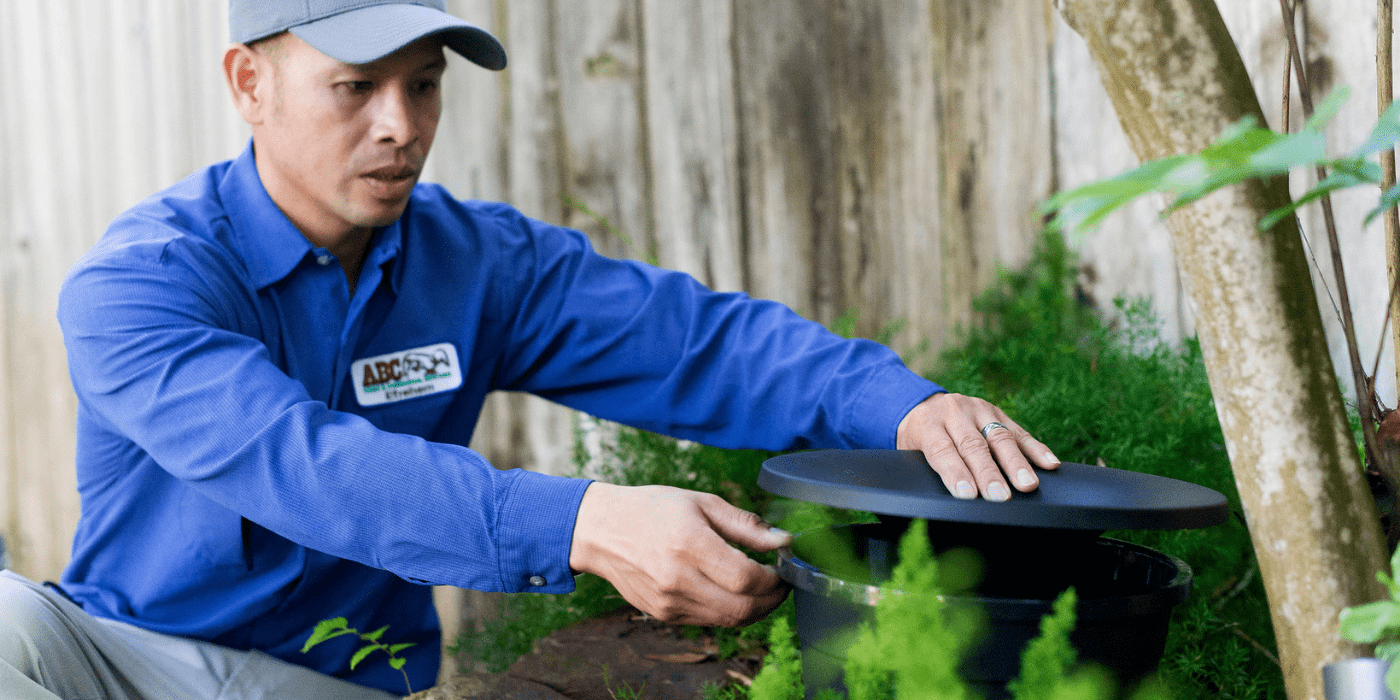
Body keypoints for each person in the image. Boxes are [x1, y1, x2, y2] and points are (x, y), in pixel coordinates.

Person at [0, 1, 1060, 698]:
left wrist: (903, 406)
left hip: (332, 685)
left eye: (422, 85)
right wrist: (588, 521)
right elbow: (304, 464)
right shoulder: (142, 284)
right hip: (132, 665)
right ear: (248, 83)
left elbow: (693, 343)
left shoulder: (475, 263)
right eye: (354, 87)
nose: (398, 125)